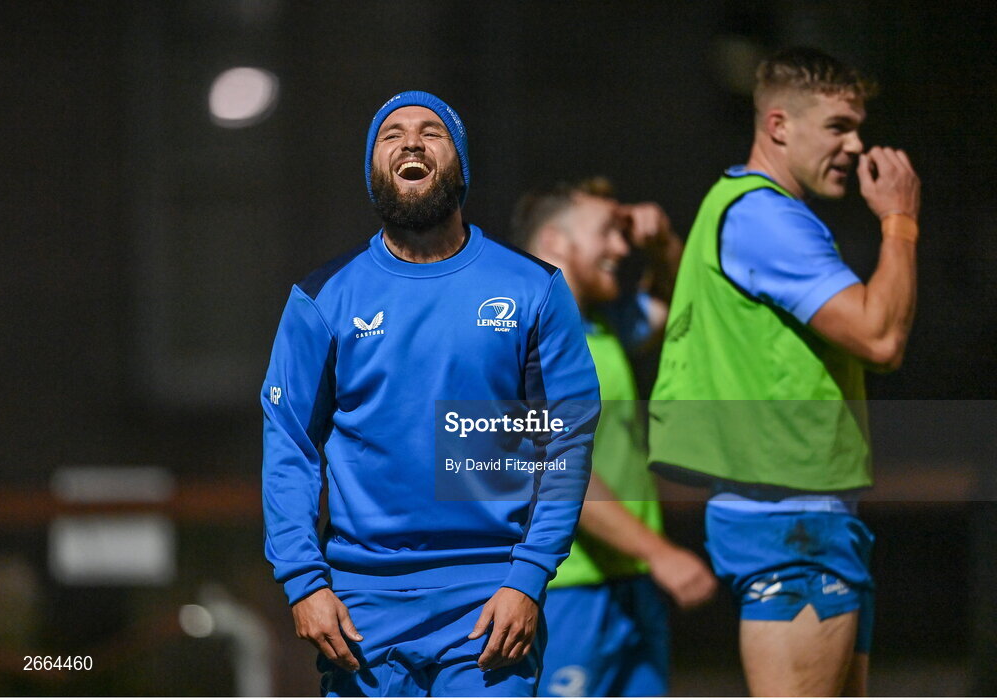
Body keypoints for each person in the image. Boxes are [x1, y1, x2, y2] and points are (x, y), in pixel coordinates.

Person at [260, 91, 600, 697]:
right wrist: (305, 583)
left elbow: (567, 439)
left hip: (488, 605)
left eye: (431, 132)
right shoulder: (322, 298)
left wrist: (528, 579)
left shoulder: (534, 289)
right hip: (360, 610)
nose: (411, 142)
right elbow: (289, 447)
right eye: (391, 134)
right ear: (373, 169)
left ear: (460, 164)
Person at [648, 48, 921, 696]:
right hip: (791, 523)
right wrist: (900, 219)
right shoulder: (764, 217)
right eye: (837, 127)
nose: (856, 145)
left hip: (803, 514)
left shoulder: (745, 208)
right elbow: (882, 337)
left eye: (858, 127)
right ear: (777, 126)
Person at [513, 179, 717, 697]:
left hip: (629, 585)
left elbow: (677, 312)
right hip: (566, 591)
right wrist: (660, 553)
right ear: (556, 241)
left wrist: (663, 245)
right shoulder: (522, 341)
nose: (620, 249)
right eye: (607, 233)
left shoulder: (599, 327)